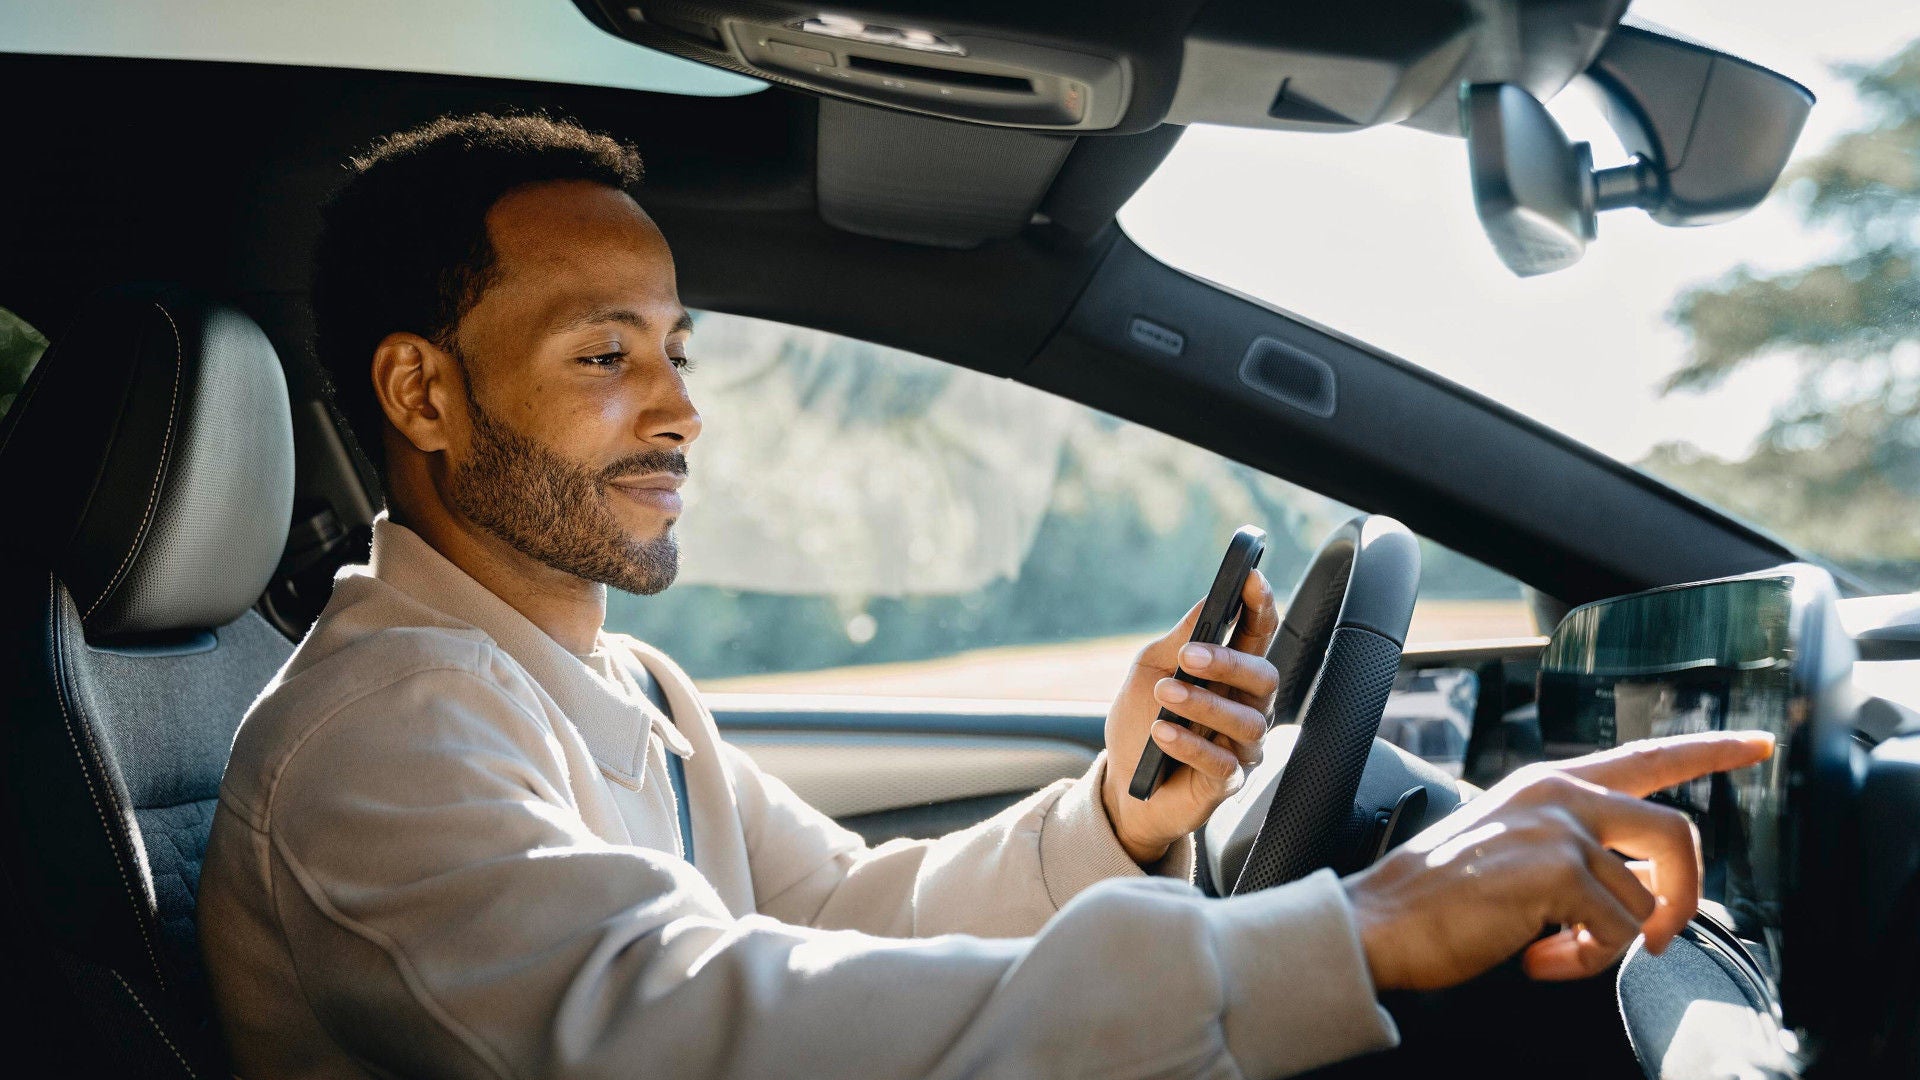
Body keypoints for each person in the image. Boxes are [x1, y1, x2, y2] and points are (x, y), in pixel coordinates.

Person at [197, 113, 1773, 1079]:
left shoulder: (619, 687)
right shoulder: (379, 737)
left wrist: (1124, 813)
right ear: (422, 392)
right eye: (605, 355)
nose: (679, 410)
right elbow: (687, 1031)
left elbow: (841, 917)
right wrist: (1367, 928)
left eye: (677, 350)